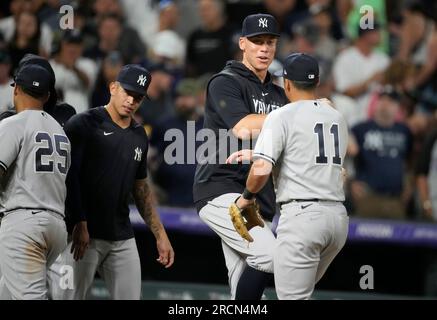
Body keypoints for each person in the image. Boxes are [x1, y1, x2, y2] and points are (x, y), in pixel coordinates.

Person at [48, 64, 174, 300]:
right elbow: (68, 176)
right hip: (80, 235)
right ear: (113, 87)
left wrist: (160, 234)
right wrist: (79, 221)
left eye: (138, 97)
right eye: (128, 92)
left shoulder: (139, 135)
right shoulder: (84, 123)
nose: (132, 100)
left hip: (121, 234)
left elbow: (141, 189)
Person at [230, 53, 349, 300]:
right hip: (337, 221)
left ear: (286, 83)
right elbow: (328, 165)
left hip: (303, 219)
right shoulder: (335, 116)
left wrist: (246, 198)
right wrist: (259, 152)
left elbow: (262, 168)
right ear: (316, 82)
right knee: (296, 290)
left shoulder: (281, 115)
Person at [193, 13, 288, 300]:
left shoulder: (278, 92)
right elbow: (243, 126)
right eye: (257, 41)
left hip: (259, 197)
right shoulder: (225, 81)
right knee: (272, 257)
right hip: (224, 190)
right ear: (242, 43)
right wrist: (294, 115)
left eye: (270, 42)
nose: (264, 48)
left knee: (244, 282)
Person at [0, 64, 71, 299]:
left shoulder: (13, 124)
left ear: (16, 89)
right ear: (47, 96)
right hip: (56, 227)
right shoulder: (60, 132)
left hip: (24, 225)